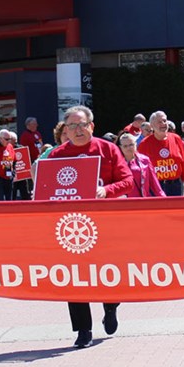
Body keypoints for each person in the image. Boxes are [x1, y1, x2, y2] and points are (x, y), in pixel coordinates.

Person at [48, 105, 134, 349]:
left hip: (105, 220)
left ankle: (111, 305)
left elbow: (127, 181)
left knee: (107, 270)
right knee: (74, 276)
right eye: (72, 126)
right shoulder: (56, 155)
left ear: (91, 126)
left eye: (82, 125)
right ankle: (83, 330)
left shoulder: (107, 148)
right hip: (71, 226)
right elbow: (46, 190)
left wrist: (105, 191)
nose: (77, 130)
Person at [138, 110, 184, 196]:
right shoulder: (144, 144)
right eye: (159, 122)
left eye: (164, 121)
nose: (163, 124)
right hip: (155, 187)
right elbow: (140, 169)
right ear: (152, 125)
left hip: (176, 186)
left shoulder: (176, 138)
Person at [117, 132, 165, 198]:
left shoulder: (145, 160)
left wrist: (163, 199)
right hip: (124, 202)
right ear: (120, 147)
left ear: (136, 144)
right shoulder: (116, 163)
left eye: (131, 145)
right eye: (125, 146)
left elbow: (155, 184)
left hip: (143, 201)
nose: (128, 148)